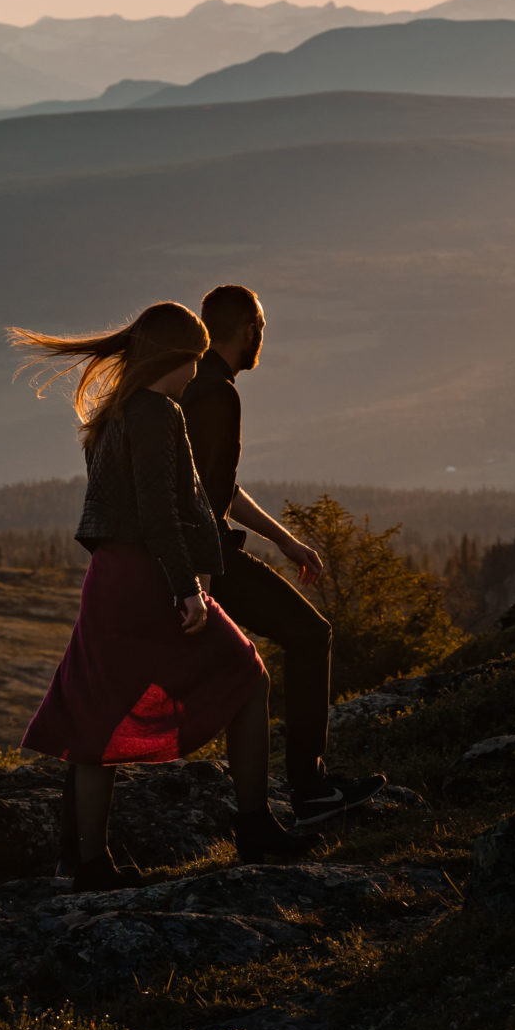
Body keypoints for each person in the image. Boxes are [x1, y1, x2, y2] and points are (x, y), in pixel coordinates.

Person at [9, 300, 318, 888]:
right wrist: (188, 588)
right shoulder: (156, 413)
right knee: (248, 676)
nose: (194, 375)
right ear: (175, 358)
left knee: (97, 719)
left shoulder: (114, 414)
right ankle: (253, 827)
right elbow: (160, 513)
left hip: (109, 580)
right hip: (149, 579)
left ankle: (89, 865)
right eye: (193, 361)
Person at [181, 284, 389, 826]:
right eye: (262, 327)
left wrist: (284, 539)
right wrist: (199, 578)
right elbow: (200, 496)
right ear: (249, 327)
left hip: (199, 557)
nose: (263, 338)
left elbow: (218, 485)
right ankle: (309, 787)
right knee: (309, 633)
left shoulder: (200, 384)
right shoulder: (216, 393)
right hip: (207, 560)